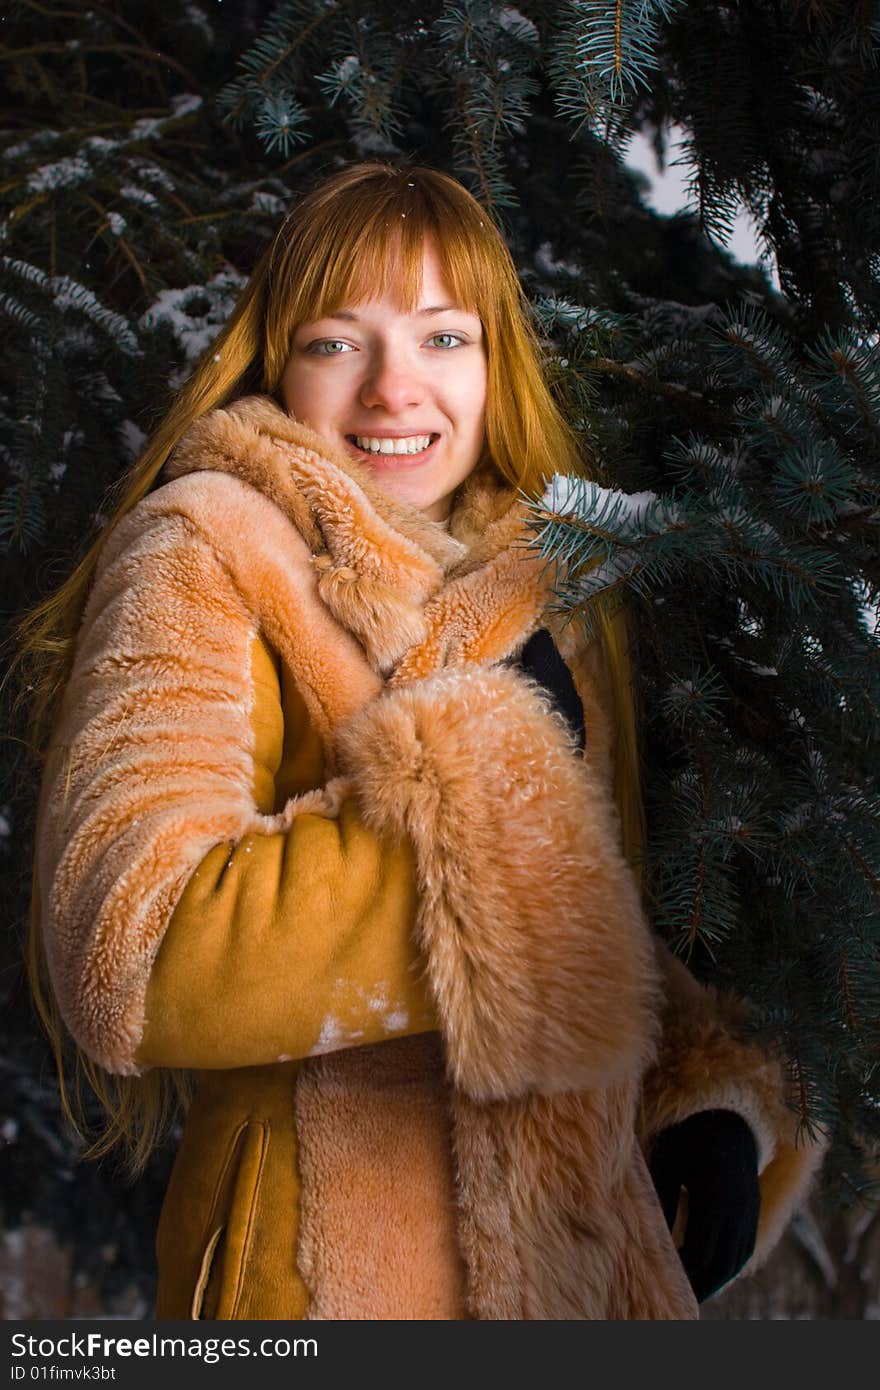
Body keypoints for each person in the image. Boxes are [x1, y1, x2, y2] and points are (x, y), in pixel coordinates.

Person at [24, 162, 825, 1320]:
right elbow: (132, 951)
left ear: (494, 362)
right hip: (323, 1281)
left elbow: (571, 920)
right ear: (280, 362)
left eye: (444, 338)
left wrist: (698, 1097)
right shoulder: (205, 548)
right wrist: (487, 783)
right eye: (338, 341)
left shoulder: (545, 584)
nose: (395, 389)